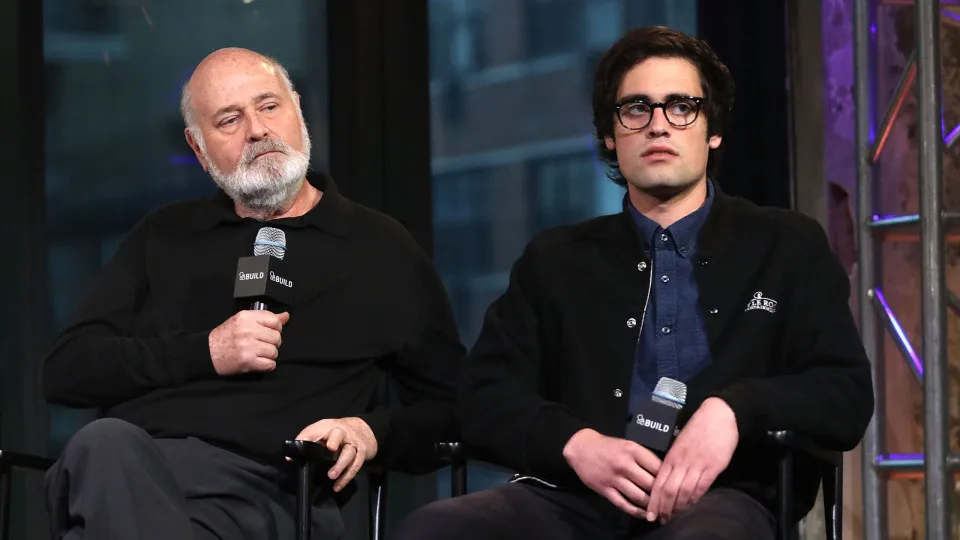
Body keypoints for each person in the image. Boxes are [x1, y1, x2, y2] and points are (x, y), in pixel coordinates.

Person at [394, 26, 874, 540]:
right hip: (574, 497)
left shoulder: (786, 245)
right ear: (610, 134)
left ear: (712, 130)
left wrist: (734, 410)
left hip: (723, 498)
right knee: (434, 529)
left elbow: (844, 392)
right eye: (636, 108)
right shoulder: (555, 260)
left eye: (682, 107)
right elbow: (483, 396)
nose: (658, 125)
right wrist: (576, 444)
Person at [41, 47, 465, 540]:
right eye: (229, 120)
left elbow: (455, 407)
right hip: (132, 473)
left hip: (274, 494)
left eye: (269, 106)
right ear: (198, 148)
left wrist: (371, 432)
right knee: (104, 447)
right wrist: (208, 352)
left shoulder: (377, 247)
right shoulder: (164, 236)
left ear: (298, 111)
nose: (258, 130)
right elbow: (67, 370)